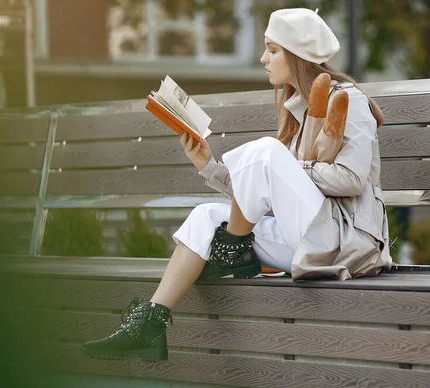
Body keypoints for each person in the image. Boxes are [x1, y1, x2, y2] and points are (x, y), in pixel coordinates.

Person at [81, 8, 392, 362]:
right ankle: (150, 323)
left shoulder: (347, 100)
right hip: (307, 239)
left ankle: (233, 247)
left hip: (344, 242)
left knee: (265, 152)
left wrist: (288, 167)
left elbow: (352, 180)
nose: (263, 58)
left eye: (272, 50)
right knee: (204, 217)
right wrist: (207, 165)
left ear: (298, 55)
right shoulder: (297, 109)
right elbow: (261, 192)